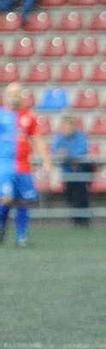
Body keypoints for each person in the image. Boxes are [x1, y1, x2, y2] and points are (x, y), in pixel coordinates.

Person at [0, 83, 52, 247]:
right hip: (4, 166)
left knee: (24, 201)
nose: (14, 97)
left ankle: (21, 237)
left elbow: (37, 139)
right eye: (11, 94)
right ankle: (1, 228)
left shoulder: (29, 116)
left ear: (22, 96)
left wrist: (46, 161)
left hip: (23, 166)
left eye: (17, 94)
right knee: (5, 199)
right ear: (5, 96)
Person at [52, 115, 91, 227]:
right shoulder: (59, 138)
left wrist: (68, 155)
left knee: (81, 194)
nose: (68, 128)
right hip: (67, 172)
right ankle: (75, 219)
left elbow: (82, 151)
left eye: (70, 125)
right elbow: (56, 152)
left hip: (80, 172)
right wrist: (69, 157)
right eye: (66, 126)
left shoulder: (80, 137)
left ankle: (84, 220)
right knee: (70, 196)